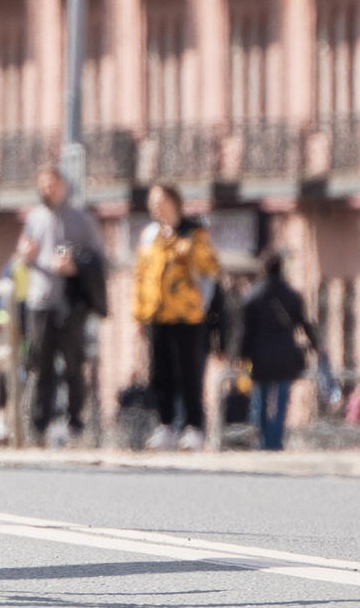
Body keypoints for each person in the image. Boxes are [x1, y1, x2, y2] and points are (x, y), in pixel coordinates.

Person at [16, 165, 105, 447]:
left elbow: (99, 259)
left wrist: (74, 266)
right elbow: (23, 260)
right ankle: (39, 424)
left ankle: (75, 422)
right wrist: (25, 257)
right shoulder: (34, 218)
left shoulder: (81, 220)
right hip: (39, 301)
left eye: (52, 184)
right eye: (43, 185)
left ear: (63, 186)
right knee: (40, 365)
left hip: (70, 303)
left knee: (73, 364)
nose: (47, 190)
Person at [133, 183, 219, 451]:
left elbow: (211, 268)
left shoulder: (194, 232)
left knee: (189, 372)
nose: (156, 206)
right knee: (160, 371)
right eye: (152, 201)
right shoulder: (150, 235)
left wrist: (189, 250)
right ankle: (165, 425)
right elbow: (142, 275)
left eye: (161, 200)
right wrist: (139, 311)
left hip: (187, 314)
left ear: (174, 202)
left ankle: (194, 426)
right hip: (157, 313)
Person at [236, 250, 320, 451]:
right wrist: (316, 344)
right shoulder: (292, 296)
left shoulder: (252, 297)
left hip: (261, 356)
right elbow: (303, 323)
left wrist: (242, 356)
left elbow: (245, 331)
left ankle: (263, 440)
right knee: (281, 401)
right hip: (285, 354)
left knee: (262, 400)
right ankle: (276, 440)